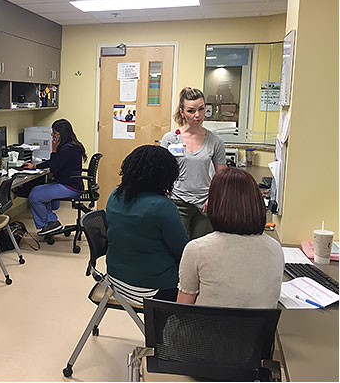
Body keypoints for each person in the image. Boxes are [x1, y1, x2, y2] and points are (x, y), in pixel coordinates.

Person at [177, 167, 284, 308]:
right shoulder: (275, 248)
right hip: (256, 330)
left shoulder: (197, 250)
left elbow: (182, 309)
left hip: (206, 329)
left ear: (216, 203)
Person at [105, 145, 189, 303]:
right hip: (152, 289)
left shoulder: (115, 195)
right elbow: (183, 252)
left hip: (115, 281)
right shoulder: (162, 206)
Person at [161, 87, 226, 240]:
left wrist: (213, 198)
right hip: (177, 202)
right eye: (191, 111)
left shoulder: (215, 142)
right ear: (182, 112)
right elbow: (161, 172)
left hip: (205, 204)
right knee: (179, 248)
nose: (197, 115)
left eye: (201, 109)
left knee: (201, 249)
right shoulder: (170, 139)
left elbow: (222, 176)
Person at [22, 119, 86, 236]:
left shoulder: (67, 149)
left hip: (70, 187)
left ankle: (49, 223)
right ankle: (51, 222)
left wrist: (54, 150)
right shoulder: (71, 145)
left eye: (54, 133)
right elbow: (54, 162)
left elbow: (54, 168)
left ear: (61, 134)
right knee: (37, 190)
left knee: (35, 196)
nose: (52, 135)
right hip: (70, 184)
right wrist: (35, 166)